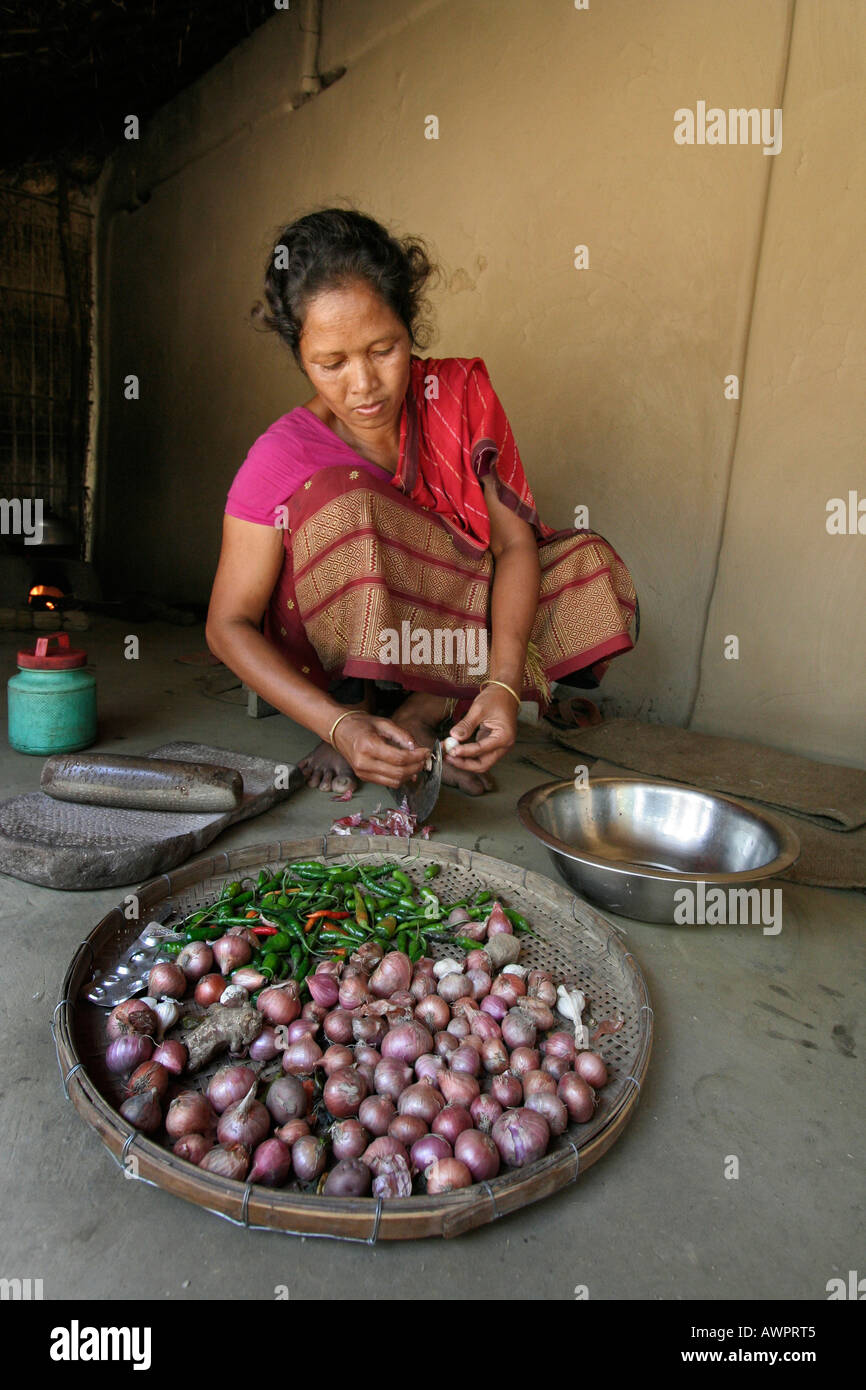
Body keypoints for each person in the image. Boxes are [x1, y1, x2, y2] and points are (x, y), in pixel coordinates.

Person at [206, 208, 638, 797]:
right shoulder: (281, 455)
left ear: (411, 328)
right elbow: (227, 625)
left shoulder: (458, 394)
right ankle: (359, 719)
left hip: (454, 634)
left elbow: (515, 546)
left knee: (586, 566)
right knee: (346, 499)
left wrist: (506, 685)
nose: (363, 385)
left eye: (384, 349)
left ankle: (426, 715)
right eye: (331, 364)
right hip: (342, 662)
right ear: (298, 354)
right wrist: (338, 724)